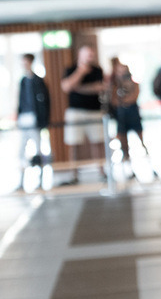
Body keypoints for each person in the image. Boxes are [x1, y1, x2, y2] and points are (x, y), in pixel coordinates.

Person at [60, 45, 106, 184]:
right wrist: (80, 72)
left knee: (98, 142)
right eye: (87, 55)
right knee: (74, 144)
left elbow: (99, 88)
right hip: (76, 111)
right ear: (80, 55)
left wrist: (78, 88)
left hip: (94, 111)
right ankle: (74, 174)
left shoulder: (97, 70)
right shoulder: (71, 69)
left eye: (92, 55)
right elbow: (67, 87)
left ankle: (102, 172)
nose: (90, 58)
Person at [14, 54, 50, 191]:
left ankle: (40, 179)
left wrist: (44, 120)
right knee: (21, 150)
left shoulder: (38, 81)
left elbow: (45, 102)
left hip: (34, 118)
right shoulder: (23, 81)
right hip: (24, 117)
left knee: (38, 149)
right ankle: (21, 181)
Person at [109, 59, 150, 176]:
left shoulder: (134, 84)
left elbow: (133, 97)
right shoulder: (115, 87)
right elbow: (114, 101)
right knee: (123, 143)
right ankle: (128, 168)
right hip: (121, 116)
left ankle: (149, 163)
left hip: (133, 114)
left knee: (141, 140)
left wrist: (124, 102)